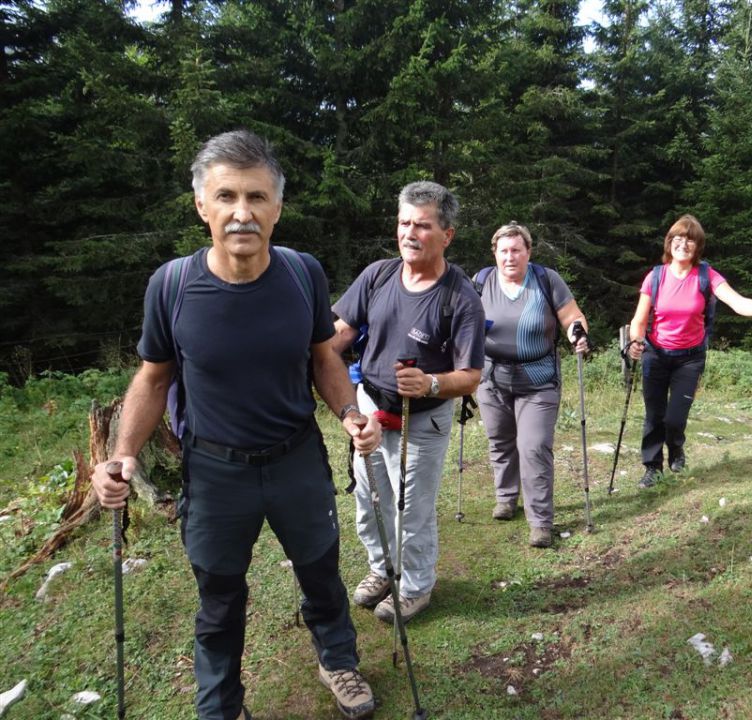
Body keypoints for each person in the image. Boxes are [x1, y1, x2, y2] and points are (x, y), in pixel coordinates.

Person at [91, 130, 381, 720]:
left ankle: (337, 660)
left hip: (297, 459)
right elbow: (152, 379)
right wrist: (121, 455)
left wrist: (352, 413)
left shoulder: (303, 274)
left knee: (322, 572)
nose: (242, 213)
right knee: (219, 597)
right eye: (226, 197)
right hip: (216, 469)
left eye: (256, 197)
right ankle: (221, 703)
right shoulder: (171, 286)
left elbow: (324, 358)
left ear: (277, 207)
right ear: (203, 206)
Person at [331, 181, 485, 623]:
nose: (409, 233)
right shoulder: (378, 274)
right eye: (403, 223)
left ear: (447, 234)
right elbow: (340, 330)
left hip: (422, 420)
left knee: (410, 509)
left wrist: (432, 383)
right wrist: (317, 349)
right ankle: (382, 569)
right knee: (369, 498)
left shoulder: (461, 297)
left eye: (421, 225)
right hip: (368, 408)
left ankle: (416, 586)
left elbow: (472, 375)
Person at [627, 214, 752, 487]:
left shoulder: (706, 276)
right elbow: (639, 321)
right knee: (654, 414)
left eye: (690, 240)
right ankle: (652, 467)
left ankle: (676, 448)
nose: (684, 244)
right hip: (655, 353)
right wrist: (635, 341)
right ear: (670, 243)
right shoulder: (655, 277)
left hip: (689, 358)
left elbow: (737, 303)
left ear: (698, 246)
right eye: (678, 239)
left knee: (675, 417)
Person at [472, 222, 589, 548]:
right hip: (492, 378)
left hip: (538, 381)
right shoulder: (481, 282)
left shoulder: (545, 280)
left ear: (528, 252)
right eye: (504, 250)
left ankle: (540, 521)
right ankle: (506, 498)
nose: (510, 257)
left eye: (516, 250)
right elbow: (464, 323)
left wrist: (578, 333)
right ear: (495, 253)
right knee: (500, 440)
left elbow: (571, 316)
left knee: (534, 446)